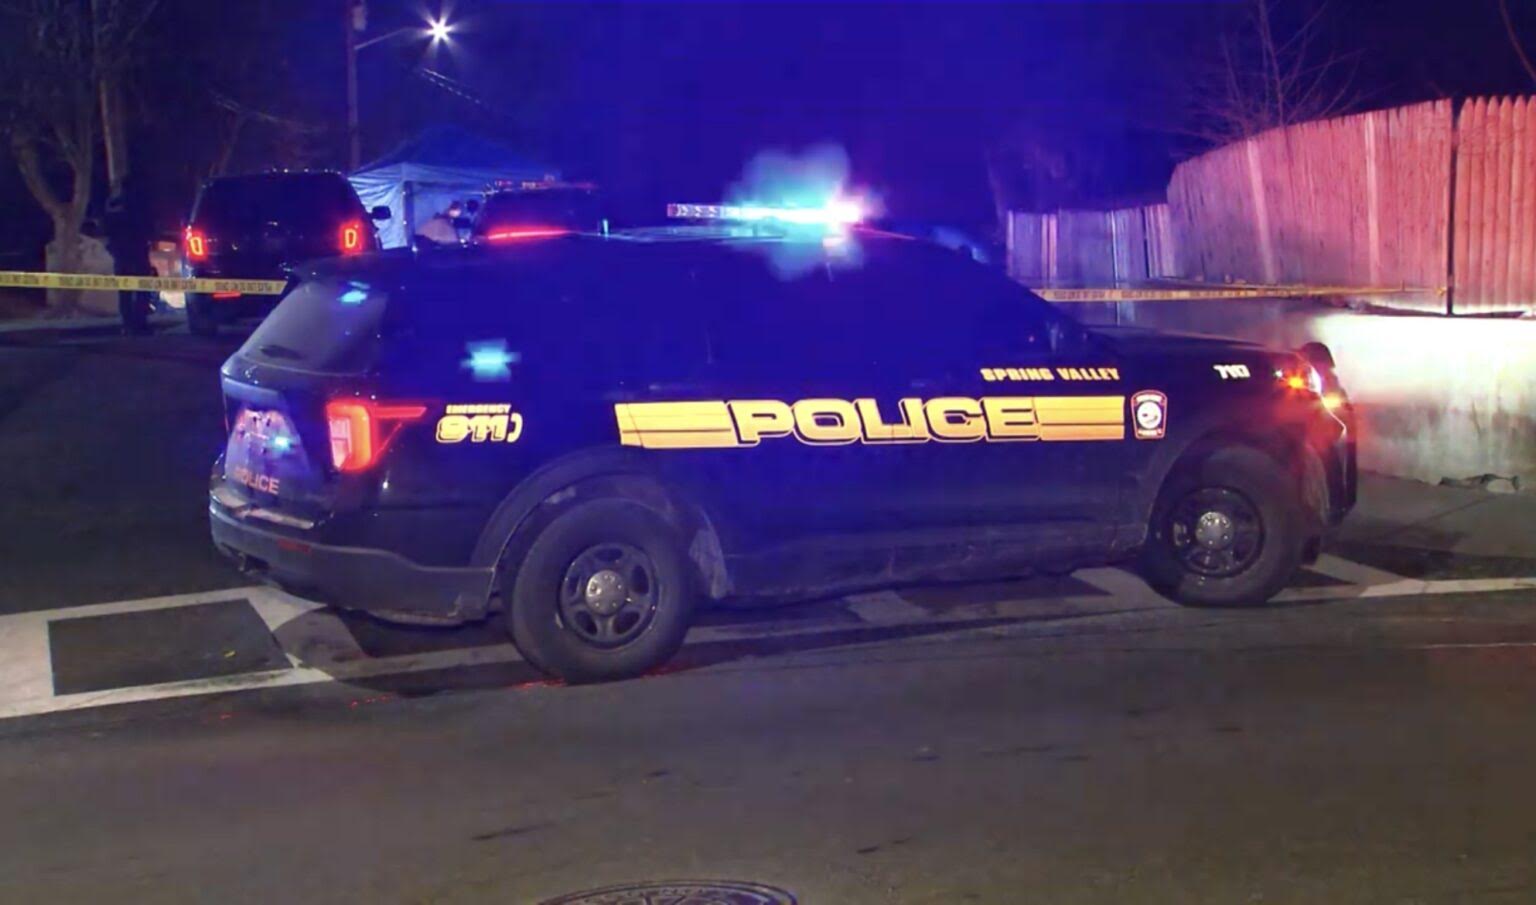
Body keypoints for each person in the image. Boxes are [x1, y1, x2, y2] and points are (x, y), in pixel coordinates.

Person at [103, 180, 156, 335]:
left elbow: (106, 229)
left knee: (125, 292)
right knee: (141, 290)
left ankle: (128, 325)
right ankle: (139, 324)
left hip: (122, 254)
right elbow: (149, 229)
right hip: (137, 253)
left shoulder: (114, 205)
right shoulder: (140, 206)